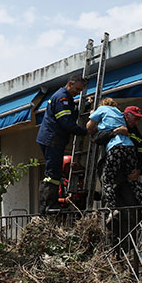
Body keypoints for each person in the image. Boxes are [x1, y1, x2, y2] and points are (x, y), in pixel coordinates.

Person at [37, 74, 89, 214]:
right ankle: (48, 206)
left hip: (53, 139)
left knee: (53, 172)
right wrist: (84, 132)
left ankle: (48, 206)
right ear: (70, 84)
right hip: (52, 139)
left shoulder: (67, 99)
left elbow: (72, 114)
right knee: (52, 174)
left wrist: (86, 106)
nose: (78, 92)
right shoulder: (62, 98)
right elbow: (66, 121)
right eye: (77, 89)